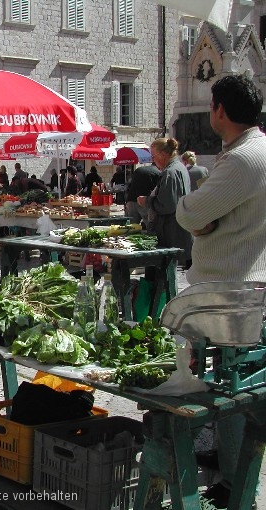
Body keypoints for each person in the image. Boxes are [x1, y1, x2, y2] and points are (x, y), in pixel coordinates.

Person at [176, 74, 266, 510]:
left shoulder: (244, 159)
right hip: (247, 283)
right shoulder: (254, 151)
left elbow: (190, 210)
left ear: (220, 111)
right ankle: (232, 466)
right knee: (240, 382)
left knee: (226, 385)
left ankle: (233, 479)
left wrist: (199, 217)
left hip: (229, 290)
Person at [137, 137, 192, 267]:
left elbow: (167, 205)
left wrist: (146, 201)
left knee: (164, 273)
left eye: (154, 156)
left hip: (170, 231)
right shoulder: (179, 168)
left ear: (163, 154)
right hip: (175, 228)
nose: (153, 160)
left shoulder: (170, 172)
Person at [125, 165, 161, 229]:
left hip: (131, 199)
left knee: (131, 227)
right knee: (150, 225)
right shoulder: (158, 173)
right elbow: (157, 190)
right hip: (144, 201)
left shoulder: (138, 170)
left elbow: (129, 186)